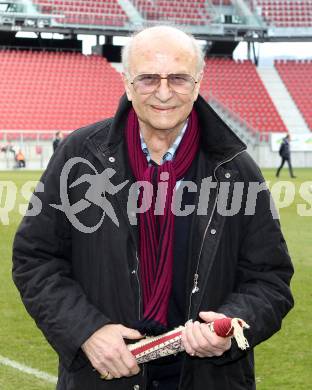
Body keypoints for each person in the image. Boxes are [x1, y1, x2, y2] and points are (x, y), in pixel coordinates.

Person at [12, 26, 294, 390]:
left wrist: (232, 323)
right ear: (128, 84)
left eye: (178, 78)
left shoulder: (236, 169)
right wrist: (86, 330)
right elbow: (35, 259)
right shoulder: (79, 157)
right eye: (148, 79)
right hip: (106, 376)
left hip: (209, 378)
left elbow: (269, 278)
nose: (163, 93)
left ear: (197, 84)